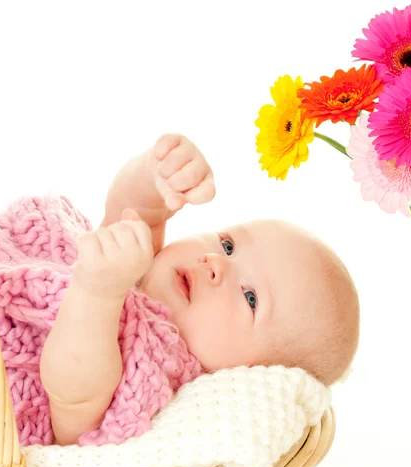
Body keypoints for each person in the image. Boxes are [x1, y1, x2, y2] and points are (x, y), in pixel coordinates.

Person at [41, 134, 360, 445]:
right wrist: (158, 175)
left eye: (250, 299)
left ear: (247, 378)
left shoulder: (154, 374)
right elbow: (131, 208)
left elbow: (73, 410)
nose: (214, 263)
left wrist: (97, 293)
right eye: (228, 245)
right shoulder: (141, 265)